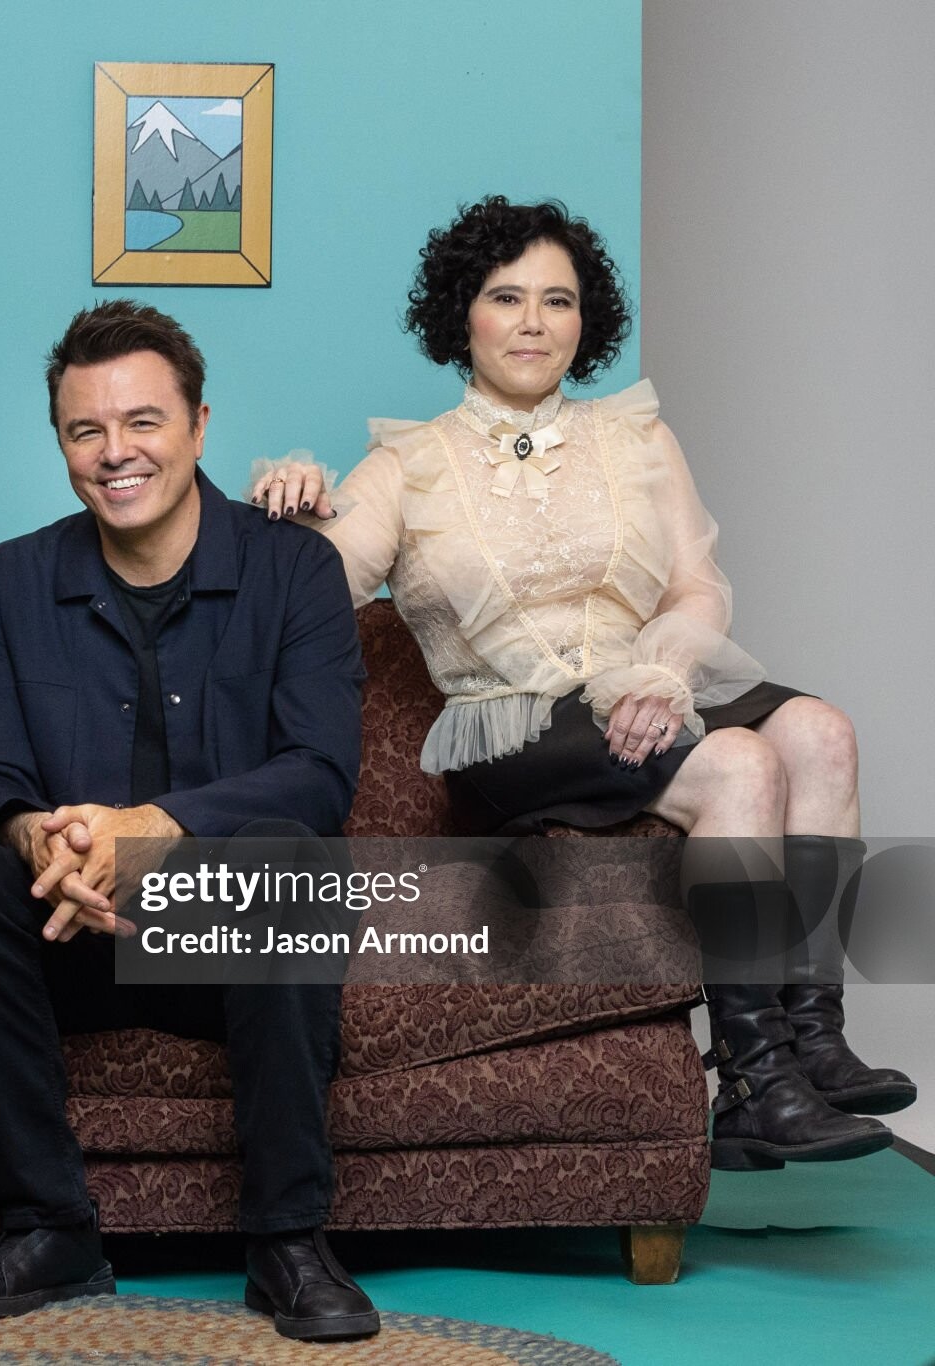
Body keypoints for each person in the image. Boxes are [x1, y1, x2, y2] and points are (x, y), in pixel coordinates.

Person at [250, 197, 915, 1171]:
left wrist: (663, 672)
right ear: (461, 314)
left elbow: (695, 586)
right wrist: (290, 503)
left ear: (583, 319)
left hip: (638, 680)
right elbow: (314, 588)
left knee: (821, 733)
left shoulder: (638, 437)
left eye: (555, 301)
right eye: (505, 297)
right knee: (738, 764)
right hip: (510, 722)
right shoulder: (407, 465)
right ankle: (750, 1079)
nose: (532, 322)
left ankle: (813, 1038)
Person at [0, 301, 380, 1342]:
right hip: (68, 936)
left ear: (199, 426)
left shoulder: (296, 570)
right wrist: (40, 839)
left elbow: (318, 775)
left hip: (233, 948)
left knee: (290, 857)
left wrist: (157, 825)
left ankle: (287, 1242)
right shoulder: (10, 578)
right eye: (85, 430)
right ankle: (49, 1230)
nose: (114, 451)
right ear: (61, 444)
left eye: (143, 422)